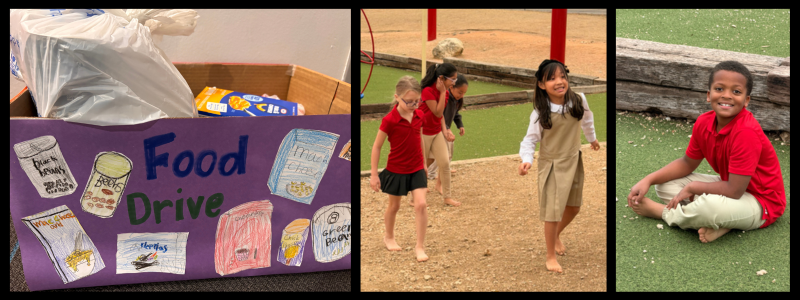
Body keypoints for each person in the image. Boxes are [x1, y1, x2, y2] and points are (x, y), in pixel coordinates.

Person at [627, 60, 786, 244]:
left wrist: (693, 187)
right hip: (728, 185)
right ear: (709, 95)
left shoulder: (746, 132)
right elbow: (687, 163)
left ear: (746, 100)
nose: (727, 96)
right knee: (664, 185)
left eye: (736, 91)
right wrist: (648, 179)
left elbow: (735, 191)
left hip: (761, 202)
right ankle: (723, 224)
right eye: (720, 89)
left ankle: (663, 213)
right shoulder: (703, 122)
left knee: (709, 208)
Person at [518, 59, 600, 273]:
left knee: (574, 207)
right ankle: (550, 256)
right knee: (552, 212)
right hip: (552, 164)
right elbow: (529, 140)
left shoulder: (579, 99)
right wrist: (527, 160)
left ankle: (554, 236)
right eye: (552, 78)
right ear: (541, 85)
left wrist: (592, 139)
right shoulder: (540, 111)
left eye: (563, 76)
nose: (559, 81)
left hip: (573, 159)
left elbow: (587, 120)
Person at [369, 76, 430, 262]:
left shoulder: (419, 115)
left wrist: (425, 163)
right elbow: (376, 146)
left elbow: (419, 139)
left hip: (417, 167)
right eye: (409, 101)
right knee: (394, 206)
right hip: (396, 169)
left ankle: (419, 246)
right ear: (397, 97)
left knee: (421, 204)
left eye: (416, 101)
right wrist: (373, 174)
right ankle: (389, 236)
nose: (413, 105)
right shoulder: (390, 120)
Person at [413, 62, 461, 207]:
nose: (454, 82)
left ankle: (447, 197)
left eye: (455, 79)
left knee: (445, 163)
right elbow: (438, 111)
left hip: (435, 131)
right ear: (441, 78)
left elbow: (440, 117)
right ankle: (414, 197)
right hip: (423, 132)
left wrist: (445, 130)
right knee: (422, 165)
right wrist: (441, 93)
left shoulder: (445, 92)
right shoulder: (428, 91)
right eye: (452, 79)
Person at [426, 73, 468, 194]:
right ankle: (421, 181)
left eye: (464, 93)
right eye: (460, 92)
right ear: (451, 87)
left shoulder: (455, 100)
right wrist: (447, 129)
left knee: (445, 159)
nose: (462, 95)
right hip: (439, 131)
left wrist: (460, 125)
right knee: (430, 159)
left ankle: (439, 184)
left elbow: (456, 114)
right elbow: (440, 115)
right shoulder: (445, 98)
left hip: (446, 132)